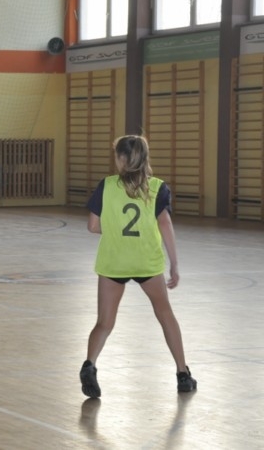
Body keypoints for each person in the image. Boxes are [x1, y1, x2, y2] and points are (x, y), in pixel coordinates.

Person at [80, 135, 197, 397]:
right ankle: (182, 374)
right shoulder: (157, 188)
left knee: (104, 323)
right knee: (165, 314)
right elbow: (165, 225)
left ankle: (89, 365)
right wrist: (174, 264)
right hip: (146, 262)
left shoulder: (106, 185)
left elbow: (93, 226)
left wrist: (115, 230)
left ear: (121, 158)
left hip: (114, 261)